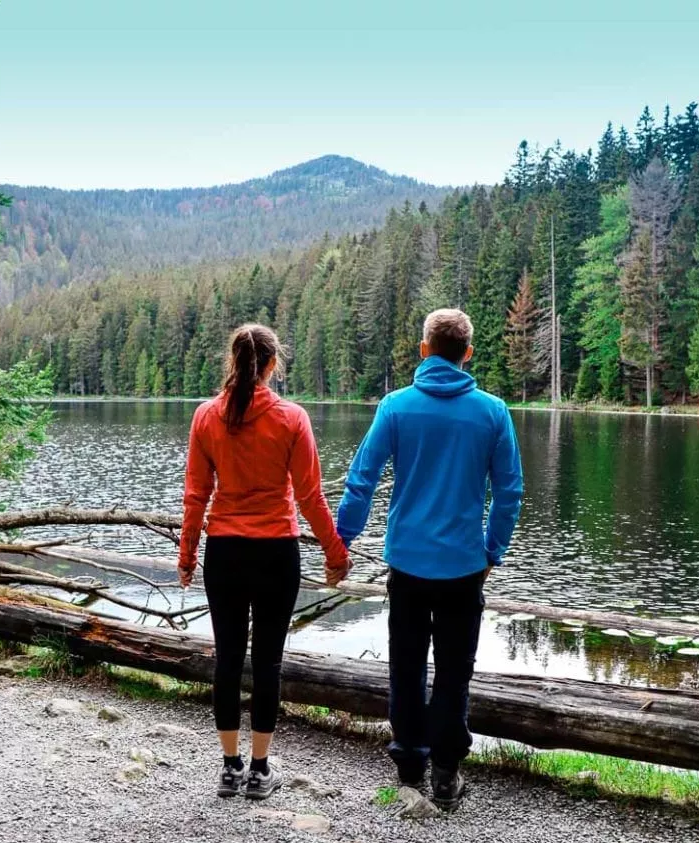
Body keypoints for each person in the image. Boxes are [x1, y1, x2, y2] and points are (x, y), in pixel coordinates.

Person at [336, 309, 523, 810]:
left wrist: (343, 538)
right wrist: (492, 550)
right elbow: (509, 492)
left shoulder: (396, 407)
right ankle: (446, 773)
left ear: (424, 350)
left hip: (409, 563)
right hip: (464, 566)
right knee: (455, 670)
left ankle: (409, 766)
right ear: (467, 353)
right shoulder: (492, 412)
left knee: (407, 664)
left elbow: (362, 479)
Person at [178, 324, 350, 801]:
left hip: (225, 553)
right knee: (269, 662)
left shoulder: (206, 417)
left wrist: (188, 553)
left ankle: (229, 768)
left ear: (233, 362)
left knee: (229, 660)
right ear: (272, 365)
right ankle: (259, 770)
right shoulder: (291, 418)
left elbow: (196, 496)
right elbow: (311, 497)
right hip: (276, 552)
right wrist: (336, 553)